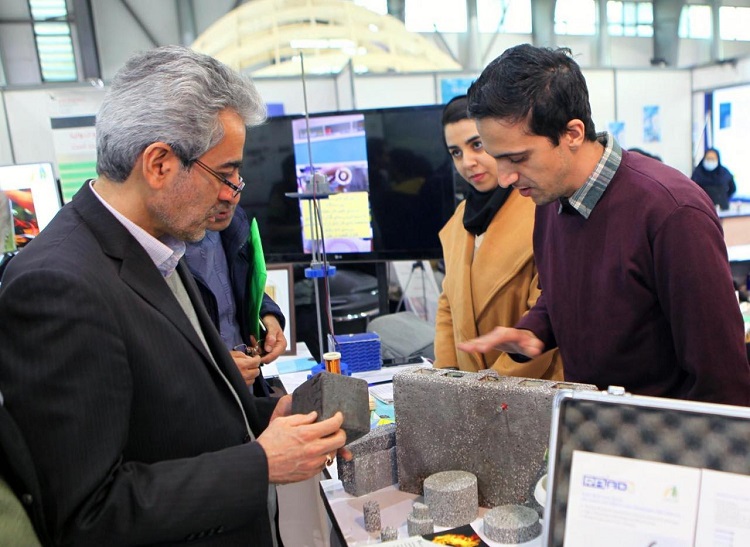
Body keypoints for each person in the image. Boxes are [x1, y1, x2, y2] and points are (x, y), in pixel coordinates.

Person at [0, 45, 347, 545]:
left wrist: (266, 417)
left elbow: (175, 417)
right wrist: (261, 464)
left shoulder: (159, 245)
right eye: (224, 174)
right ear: (159, 164)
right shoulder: (57, 286)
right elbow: (87, 514)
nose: (233, 193)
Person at [459, 44, 750, 404]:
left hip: (662, 434)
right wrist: (535, 329)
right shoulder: (550, 197)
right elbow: (570, 289)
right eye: (498, 158)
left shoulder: (672, 212)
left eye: (517, 158)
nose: (504, 178)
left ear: (572, 133)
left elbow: (723, 379)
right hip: (591, 422)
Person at [434, 95, 562, 379]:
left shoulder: (542, 209)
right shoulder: (459, 219)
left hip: (530, 385)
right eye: (456, 152)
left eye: (477, 145)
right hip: (466, 390)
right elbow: (448, 307)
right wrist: (446, 376)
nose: (468, 162)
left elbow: (548, 316)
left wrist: (490, 383)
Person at [185, 194, 287, 395]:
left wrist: (268, 316)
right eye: (219, 179)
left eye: (237, 181)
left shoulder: (232, 219)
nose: (231, 195)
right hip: (202, 397)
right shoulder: (160, 244)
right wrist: (214, 371)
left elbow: (242, 281)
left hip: (247, 388)